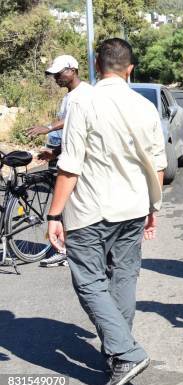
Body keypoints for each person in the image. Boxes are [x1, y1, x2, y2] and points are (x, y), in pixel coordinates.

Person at [46, 38, 166, 385]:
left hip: (90, 211)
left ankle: (126, 352)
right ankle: (117, 354)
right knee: (124, 279)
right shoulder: (145, 107)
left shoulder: (84, 101)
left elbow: (70, 167)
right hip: (133, 208)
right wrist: (152, 209)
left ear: (97, 66)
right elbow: (157, 164)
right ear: (130, 69)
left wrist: (54, 215)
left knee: (89, 282)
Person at [26, 54, 93, 267]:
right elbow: (73, 134)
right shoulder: (68, 96)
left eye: (59, 73)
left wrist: (48, 128)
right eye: (54, 75)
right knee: (66, 207)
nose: (56, 78)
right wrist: (54, 153)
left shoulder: (86, 94)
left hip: (83, 163)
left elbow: (75, 122)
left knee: (72, 209)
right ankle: (65, 249)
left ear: (73, 70)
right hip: (68, 156)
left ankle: (70, 251)